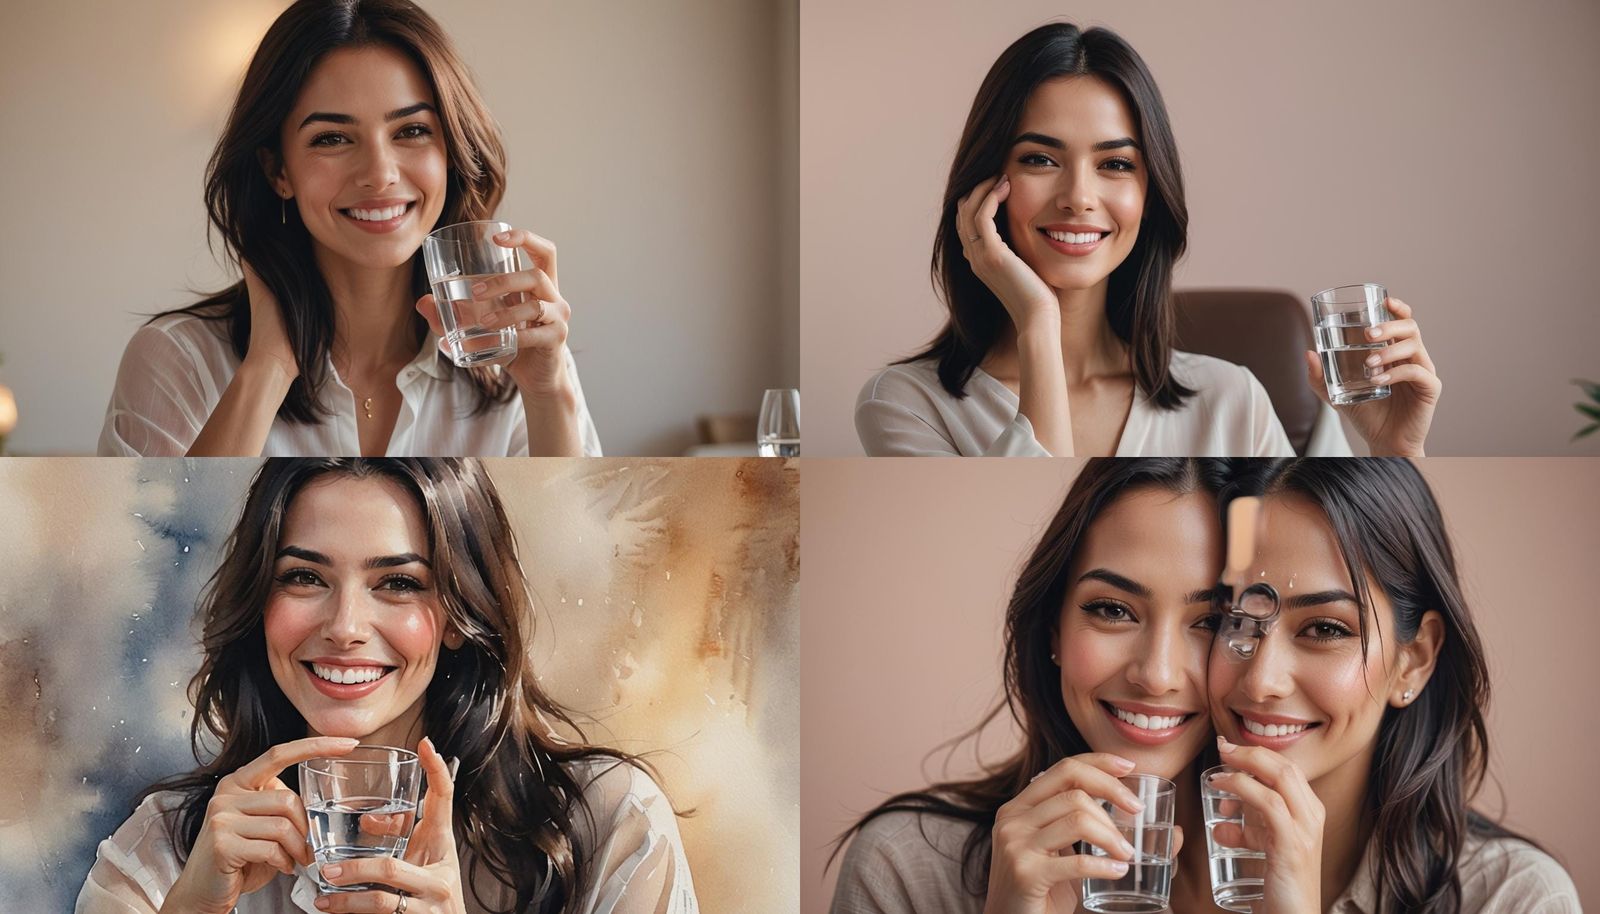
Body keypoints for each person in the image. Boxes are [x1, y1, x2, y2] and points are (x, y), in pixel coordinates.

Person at [76, 459, 696, 914]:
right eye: (303, 577)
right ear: (259, 606)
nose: (345, 628)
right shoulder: (167, 847)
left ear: (458, 617)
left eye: (398, 583)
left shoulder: (612, 825)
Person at [855, 23, 1440, 458]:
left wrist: (1395, 454)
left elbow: (1335, 571)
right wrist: (1038, 323)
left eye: (1114, 165)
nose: (1079, 196)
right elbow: (1029, 557)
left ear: (1149, 194)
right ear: (983, 188)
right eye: (1040, 159)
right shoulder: (908, 404)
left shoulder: (1230, 399)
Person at [99, 0, 599, 458]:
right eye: (332, 137)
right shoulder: (178, 360)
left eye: (412, 130)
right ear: (278, 171)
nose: (379, 173)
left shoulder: (524, 360)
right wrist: (267, 370)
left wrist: (546, 394)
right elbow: (160, 556)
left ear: (450, 153)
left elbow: (583, 557)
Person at [829, 459, 1236, 914]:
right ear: (1053, 632)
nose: (1157, 675)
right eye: (1113, 610)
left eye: (1210, 622)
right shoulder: (905, 863)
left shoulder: (1306, 882)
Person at [1206, 458, 1578, 912]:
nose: (1262, 680)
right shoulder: (1137, 866)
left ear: (1414, 660)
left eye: (1325, 629)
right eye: (1235, 620)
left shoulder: (1513, 896)